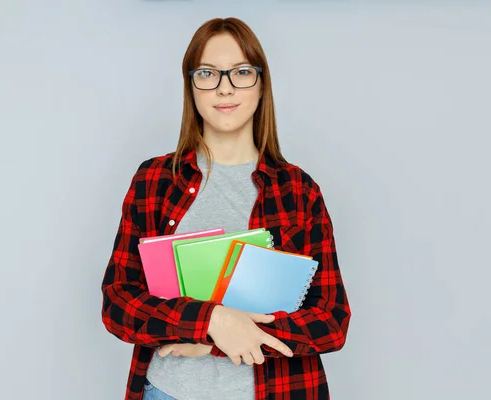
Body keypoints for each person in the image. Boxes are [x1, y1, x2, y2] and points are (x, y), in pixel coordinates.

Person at [101, 17, 351, 400]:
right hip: (168, 392)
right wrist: (212, 319)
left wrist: (218, 341)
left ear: (261, 83)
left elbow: (331, 321)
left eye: (241, 72)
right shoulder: (154, 180)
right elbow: (119, 302)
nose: (225, 88)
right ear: (191, 86)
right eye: (208, 74)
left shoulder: (299, 191)